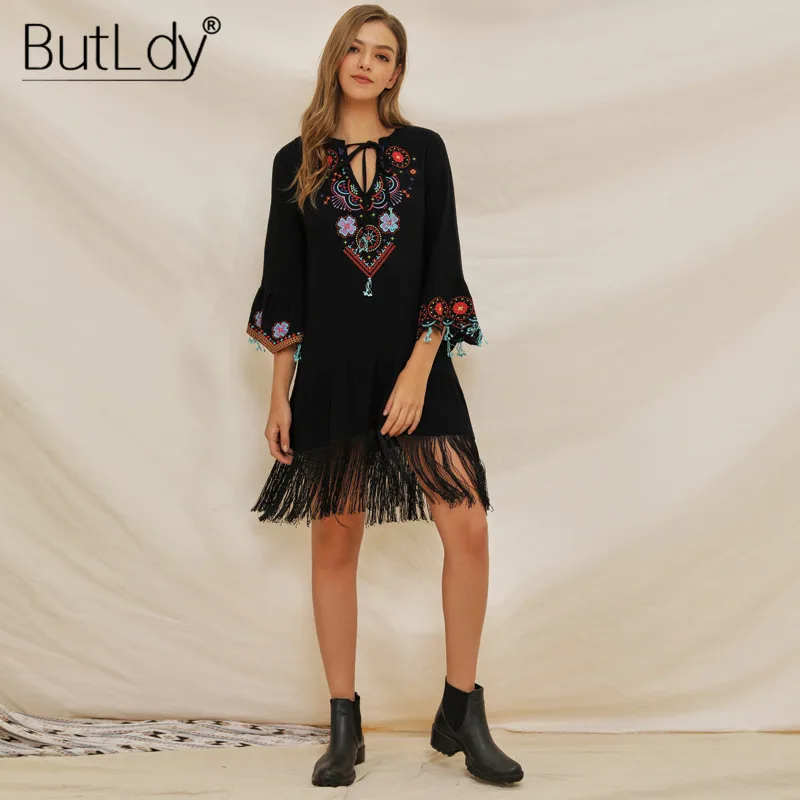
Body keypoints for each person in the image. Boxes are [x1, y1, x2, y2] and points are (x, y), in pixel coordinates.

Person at [245, 4, 523, 788]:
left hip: (415, 369)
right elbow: (285, 286)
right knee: (336, 542)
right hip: (330, 374)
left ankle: (461, 709)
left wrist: (417, 369)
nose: (369, 63)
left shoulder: (424, 153)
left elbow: (442, 263)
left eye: (385, 54)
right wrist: (279, 396)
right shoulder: (295, 162)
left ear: (397, 72)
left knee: (467, 525)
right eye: (358, 49)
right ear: (337, 58)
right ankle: (345, 723)